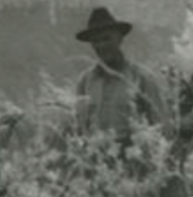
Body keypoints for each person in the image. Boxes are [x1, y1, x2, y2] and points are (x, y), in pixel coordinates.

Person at [71, 8, 176, 140]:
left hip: (132, 156)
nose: (101, 45)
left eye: (106, 38)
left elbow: (163, 129)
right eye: (96, 41)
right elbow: (80, 128)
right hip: (96, 156)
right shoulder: (84, 81)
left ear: (119, 38)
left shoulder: (142, 77)